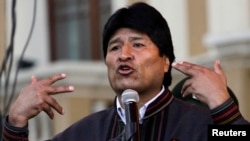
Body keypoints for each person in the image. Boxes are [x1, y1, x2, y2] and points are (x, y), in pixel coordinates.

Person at [2, 2, 249, 141]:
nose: (124, 54)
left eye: (138, 44)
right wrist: (15, 122)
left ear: (165, 61)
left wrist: (223, 105)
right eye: (115, 47)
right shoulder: (86, 132)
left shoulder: (197, 124)